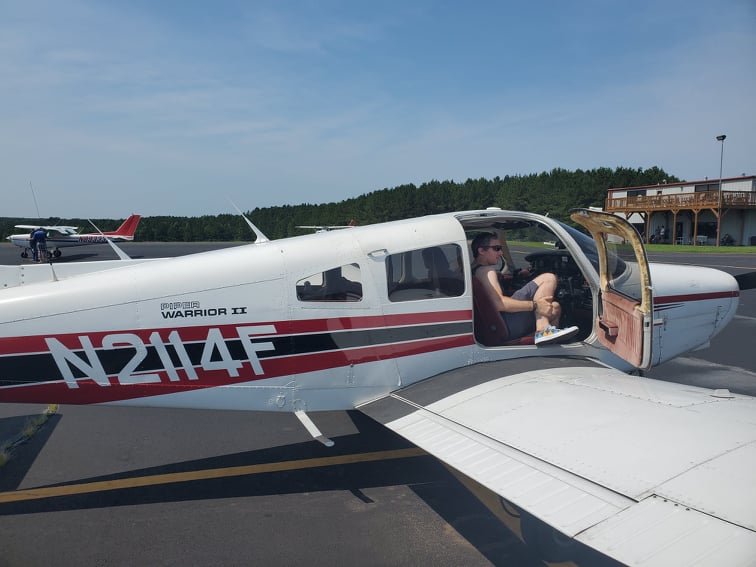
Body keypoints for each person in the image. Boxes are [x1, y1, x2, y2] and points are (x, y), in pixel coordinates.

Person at [471, 232, 578, 345]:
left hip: (493, 325)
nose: (501, 252)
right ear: (481, 251)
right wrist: (536, 305)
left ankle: (539, 344)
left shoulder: (473, 269)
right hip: (505, 325)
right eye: (496, 248)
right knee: (548, 278)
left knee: (555, 307)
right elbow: (499, 303)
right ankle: (543, 329)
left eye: (501, 248)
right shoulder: (487, 271)